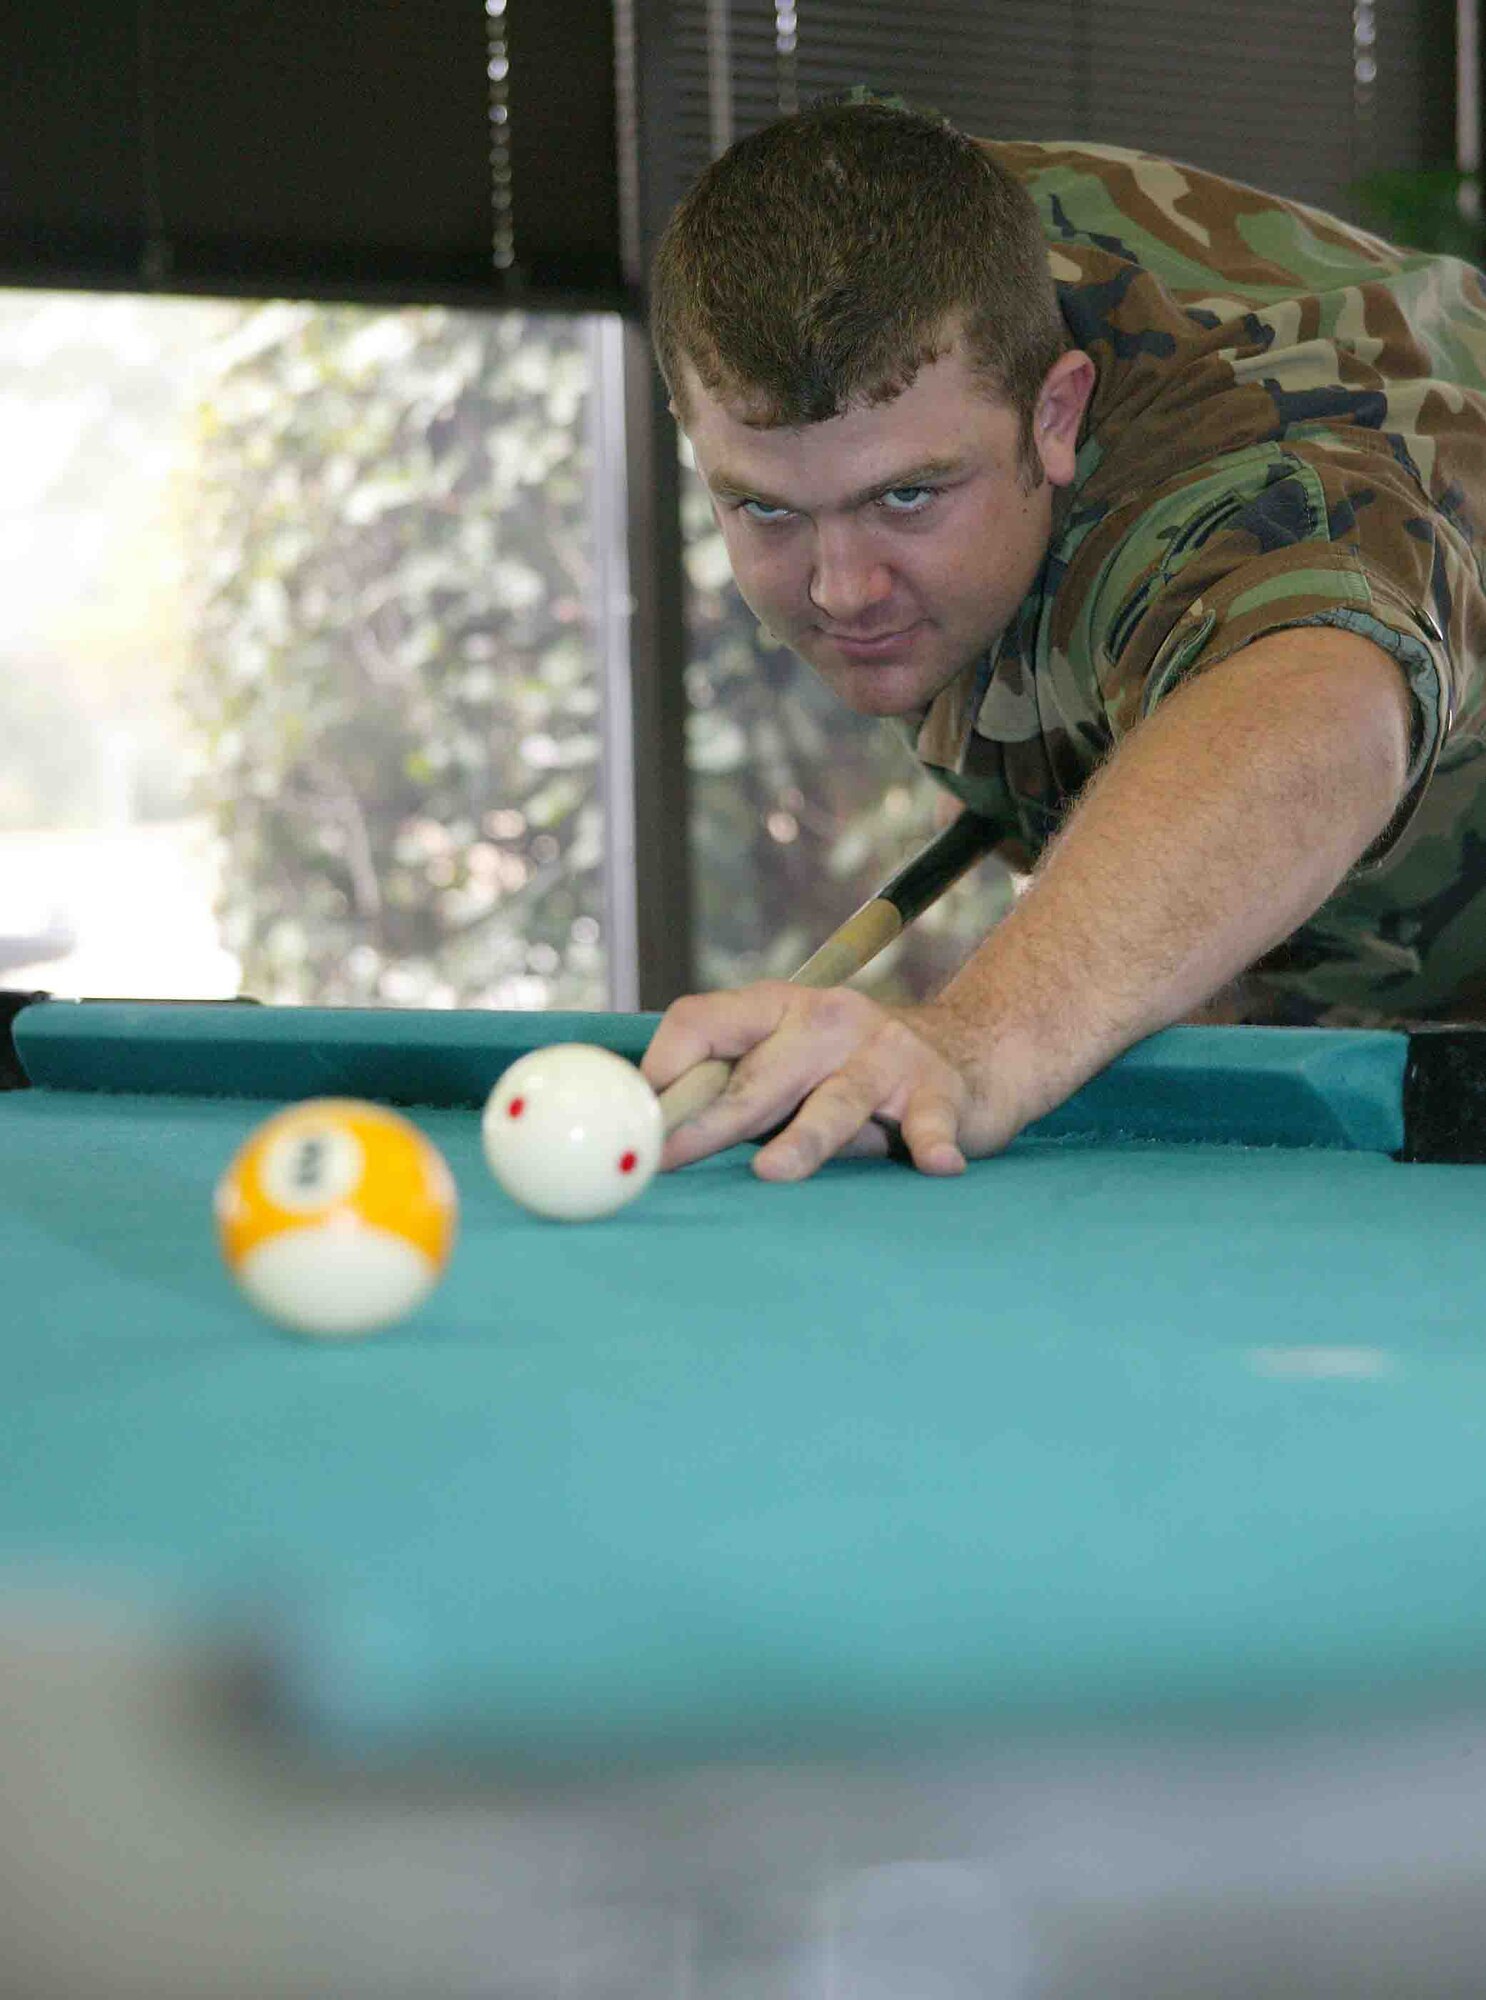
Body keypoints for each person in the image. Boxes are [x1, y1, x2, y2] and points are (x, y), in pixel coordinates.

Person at [638, 93, 1486, 1184]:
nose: (841, 589)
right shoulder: (882, 253)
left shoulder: (1233, 468)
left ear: (1054, 415)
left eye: (906, 497)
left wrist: (981, 1036)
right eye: (766, 510)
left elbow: (1321, 710)